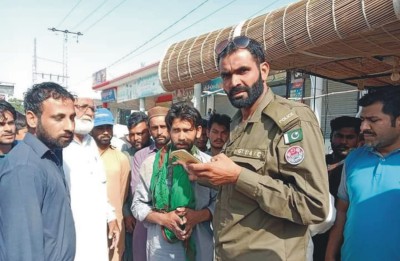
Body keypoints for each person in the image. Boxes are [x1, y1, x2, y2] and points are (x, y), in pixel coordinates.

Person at [184, 36, 329, 260]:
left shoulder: (292, 120)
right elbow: (239, 189)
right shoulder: (238, 123)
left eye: (243, 71)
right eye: (226, 75)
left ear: (263, 70)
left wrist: (238, 177)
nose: (234, 82)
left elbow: (313, 205)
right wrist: (203, 174)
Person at [0, 82, 76, 261]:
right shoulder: (24, 167)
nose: (70, 127)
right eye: (58, 118)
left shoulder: (49, 156)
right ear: (32, 119)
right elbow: (22, 251)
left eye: (72, 117)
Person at [131, 103, 216, 261]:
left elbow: (219, 204)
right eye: (176, 130)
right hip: (161, 250)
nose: (181, 137)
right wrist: (165, 219)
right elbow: (137, 205)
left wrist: (197, 216)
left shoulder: (209, 164)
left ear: (198, 131)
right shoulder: (151, 164)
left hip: (200, 247)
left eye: (187, 130)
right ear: (170, 131)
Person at [325, 88, 400, 261]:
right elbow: (342, 211)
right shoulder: (354, 158)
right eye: (362, 120)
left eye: (373, 120)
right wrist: (329, 255)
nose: (363, 127)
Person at [63, 95, 120, 261]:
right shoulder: (60, 145)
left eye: (92, 109)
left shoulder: (90, 143)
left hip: (95, 229)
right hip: (71, 228)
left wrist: (110, 217)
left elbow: (100, 185)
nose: (88, 112)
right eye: (82, 107)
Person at [312, 116, 361, 261]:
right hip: (316, 233)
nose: (343, 142)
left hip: (344, 236)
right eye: (339, 136)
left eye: (350, 137)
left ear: (359, 138)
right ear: (332, 136)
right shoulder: (318, 162)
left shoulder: (358, 168)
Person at [131, 106, 170, 261]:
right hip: (146, 222)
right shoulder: (141, 156)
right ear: (149, 129)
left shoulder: (180, 152)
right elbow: (136, 191)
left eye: (163, 127)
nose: (159, 132)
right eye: (155, 128)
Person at [91, 108, 131, 261]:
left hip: (114, 223)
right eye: (100, 128)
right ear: (91, 130)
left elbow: (123, 193)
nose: (106, 132)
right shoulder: (82, 156)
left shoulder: (121, 158)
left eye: (109, 127)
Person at [121, 111, 152, 261]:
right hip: (132, 219)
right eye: (132, 134)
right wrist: (126, 213)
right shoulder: (125, 156)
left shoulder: (157, 152)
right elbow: (123, 189)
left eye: (141, 133)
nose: (136, 138)